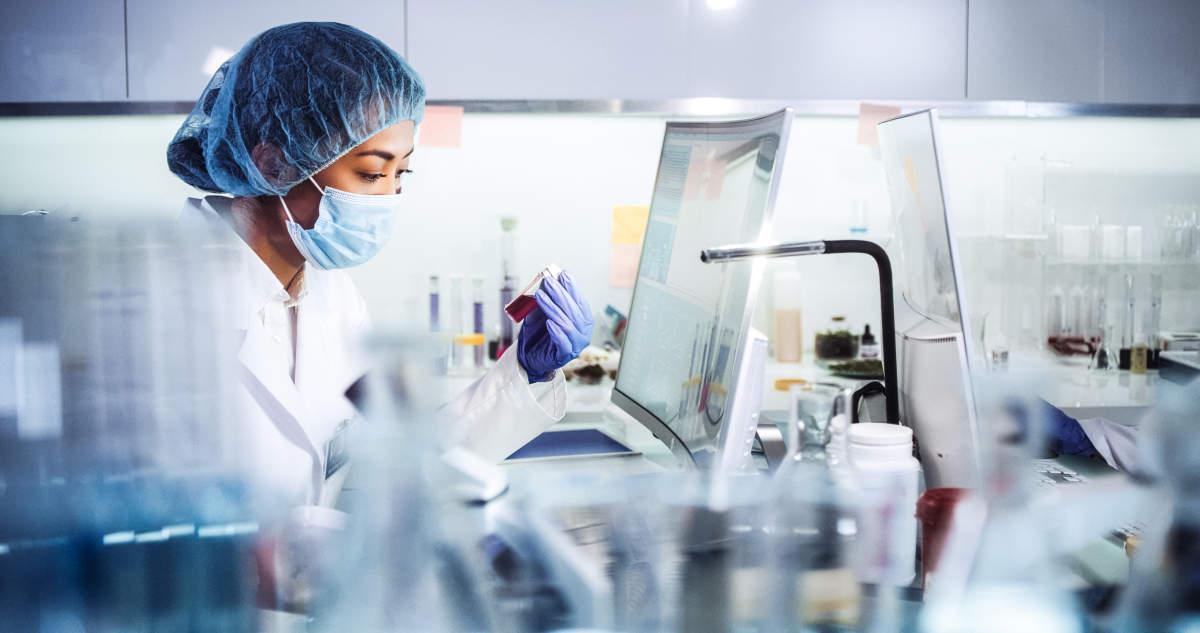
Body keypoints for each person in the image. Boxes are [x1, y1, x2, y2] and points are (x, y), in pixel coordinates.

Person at [166, 22, 592, 508]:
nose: (390, 197)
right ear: (273, 165)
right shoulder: (167, 307)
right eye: (372, 172)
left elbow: (406, 456)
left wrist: (523, 374)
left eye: (400, 173)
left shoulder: (332, 297)